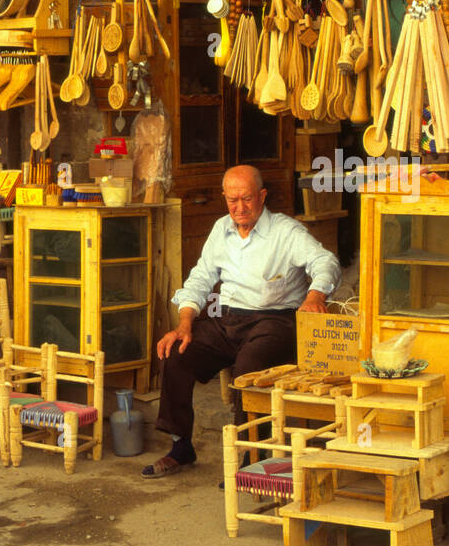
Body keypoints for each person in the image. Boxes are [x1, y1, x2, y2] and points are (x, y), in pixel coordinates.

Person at [143, 164, 341, 479]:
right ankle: (181, 446)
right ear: (224, 198)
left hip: (275, 320)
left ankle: (249, 455)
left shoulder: (285, 231)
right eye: (232, 200)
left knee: (248, 368)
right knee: (176, 354)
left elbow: (325, 261)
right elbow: (200, 278)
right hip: (228, 319)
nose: (239, 208)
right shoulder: (221, 229)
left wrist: (316, 295)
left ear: (262, 196)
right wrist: (184, 322)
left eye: (247, 199)